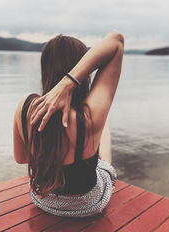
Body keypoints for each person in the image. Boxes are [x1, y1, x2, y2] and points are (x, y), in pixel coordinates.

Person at [13, 30, 124, 217]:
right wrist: (69, 82)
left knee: (96, 125)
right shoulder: (89, 114)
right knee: (102, 127)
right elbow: (116, 41)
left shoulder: (26, 105)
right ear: (84, 70)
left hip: (43, 199)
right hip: (87, 204)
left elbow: (21, 158)